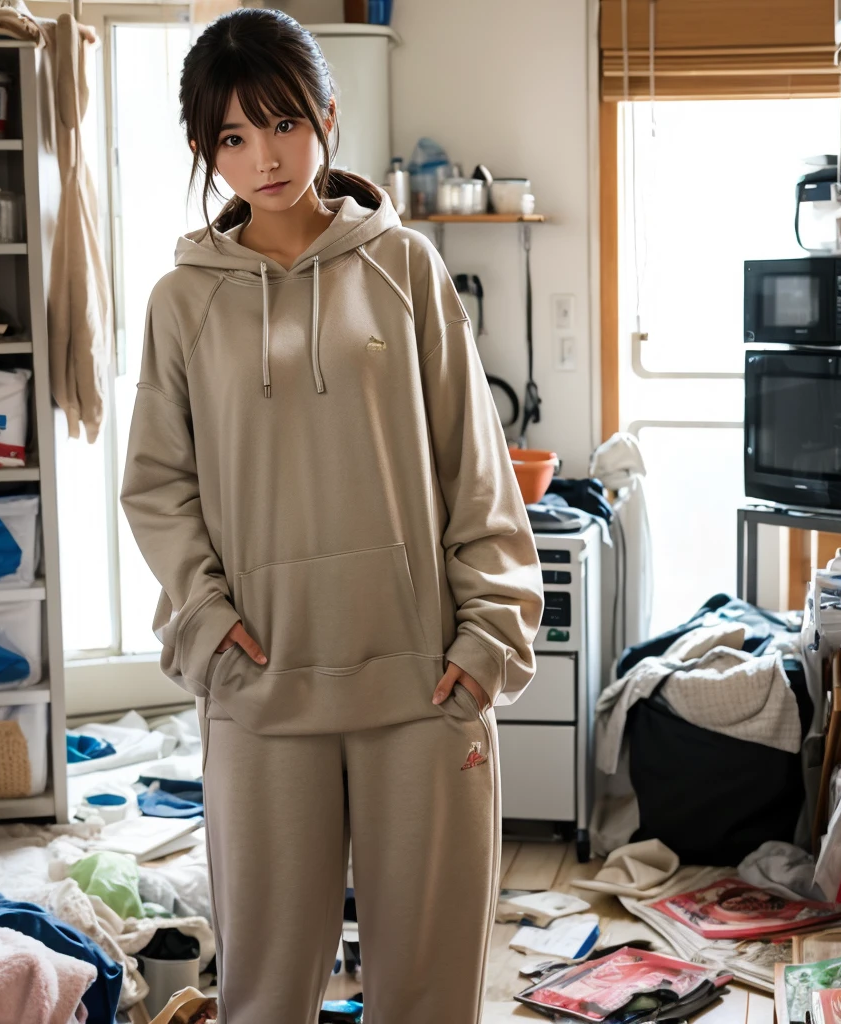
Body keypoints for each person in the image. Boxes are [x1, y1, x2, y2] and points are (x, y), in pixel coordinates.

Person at [119, 9, 543, 1023]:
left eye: (281, 123)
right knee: (266, 996)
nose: (263, 156)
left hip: (420, 682)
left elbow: (472, 466)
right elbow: (156, 486)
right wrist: (210, 624)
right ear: (203, 150)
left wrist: (488, 638)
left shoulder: (404, 269)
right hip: (262, 688)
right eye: (231, 135)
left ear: (326, 116)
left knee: (429, 997)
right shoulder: (184, 299)